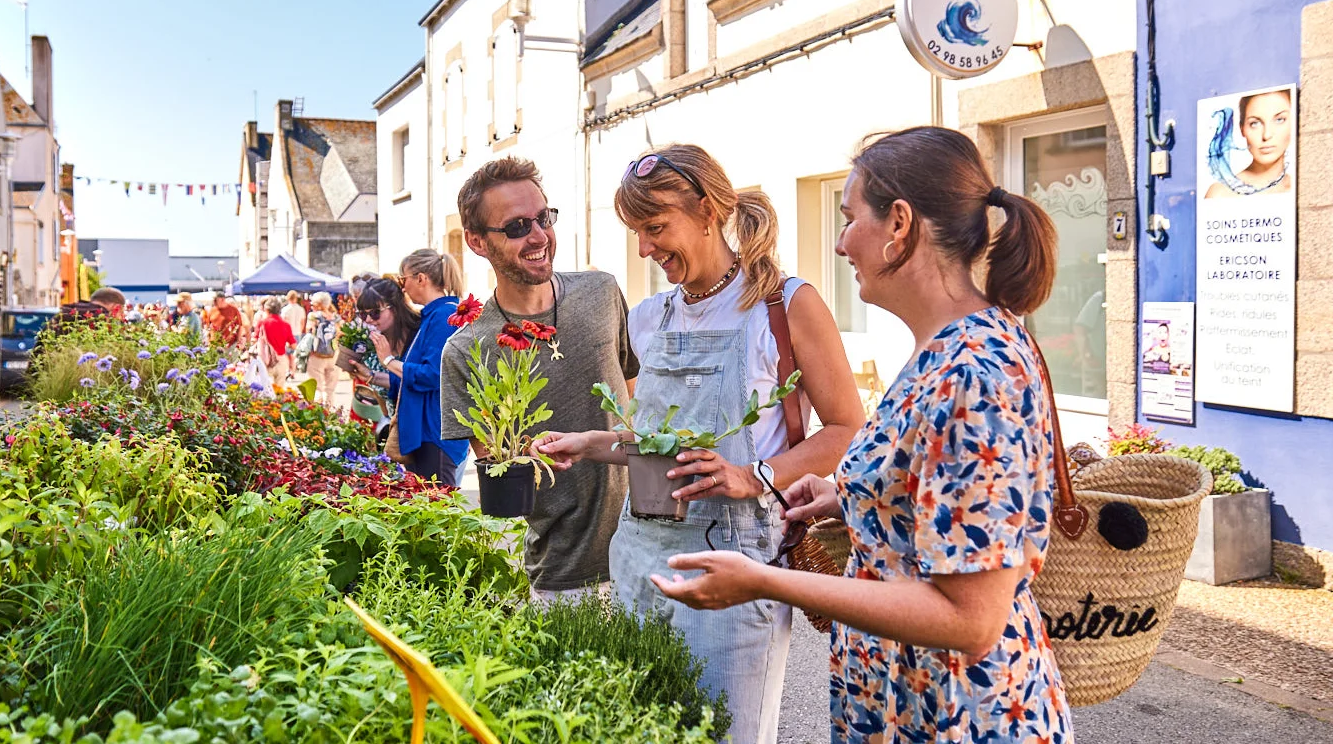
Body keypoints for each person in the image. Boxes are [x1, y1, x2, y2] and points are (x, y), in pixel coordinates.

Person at [650, 127, 1070, 743]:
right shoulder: (949, 348)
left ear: (899, 223)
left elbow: (971, 619)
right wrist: (848, 499)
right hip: (912, 699)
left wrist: (763, 580)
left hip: (960, 715)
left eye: (849, 217)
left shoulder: (974, 373)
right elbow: (937, 500)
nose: (842, 242)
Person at [536, 145, 866, 744]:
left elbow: (846, 430)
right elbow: (657, 443)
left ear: (710, 210)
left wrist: (755, 475)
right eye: (638, 232)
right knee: (644, 732)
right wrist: (594, 444)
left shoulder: (786, 306)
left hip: (737, 558)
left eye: (656, 227)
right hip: (638, 555)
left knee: (723, 734)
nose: (645, 249)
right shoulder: (648, 316)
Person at [439, 157, 634, 603]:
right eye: (517, 226)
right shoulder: (466, 350)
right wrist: (524, 454)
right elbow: (498, 466)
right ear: (476, 242)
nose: (539, 236)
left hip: (652, 551)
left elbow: (640, 403)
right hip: (565, 575)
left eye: (544, 218)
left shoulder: (601, 293)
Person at [374, 250, 471, 485]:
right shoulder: (433, 315)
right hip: (425, 432)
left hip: (435, 431)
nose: (402, 288)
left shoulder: (445, 314)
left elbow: (433, 374)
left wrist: (389, 360)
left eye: (402, 279)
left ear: (421, 278)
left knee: (438, 510)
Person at [345, 277, 415, 443]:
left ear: (395, 307)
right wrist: (369, 375)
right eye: (362, 314)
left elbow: (420, 379)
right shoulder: (374, 343)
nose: (368, 320)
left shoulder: (417, 337)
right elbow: (390, 387)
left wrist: (388, 361)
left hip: (426, 429)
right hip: (399, 429)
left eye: (375, 312)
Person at [1204, 88, 1294, 198]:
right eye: (1255, 123)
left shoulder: (1300, 188)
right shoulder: (1220, 193)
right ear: (1242, 129)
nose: (1266, 135)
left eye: (1279, 120)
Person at [300, 291, 340, 402]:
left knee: (317, 387)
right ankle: (329, 412)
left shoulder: (313, 316)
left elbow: (309, 331)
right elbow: (340, 333)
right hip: (333, 355)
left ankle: (318, 411)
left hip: (316, 354)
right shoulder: (336, 317)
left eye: (313, 304)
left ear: (319, 304)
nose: (311, 306)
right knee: (330, 389)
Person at [258, 299, 297, 382]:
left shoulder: (262, 323)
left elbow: (255, 340)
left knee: (264, 390)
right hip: (281, 359)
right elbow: (293, 345)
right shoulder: (286, 325)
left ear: (267, 310)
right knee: (279, 390)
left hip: (265, 359)